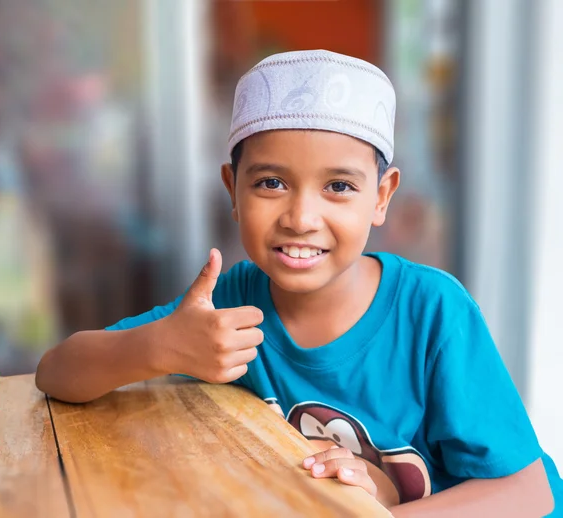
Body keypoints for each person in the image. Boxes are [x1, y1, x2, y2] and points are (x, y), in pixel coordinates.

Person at [36, 50, 561, 516]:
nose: (301, 217)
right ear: (232, 190)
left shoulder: (433, 311)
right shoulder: (228, 303)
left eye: (338, 186)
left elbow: (527, 493)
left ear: (381, 197)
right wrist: (158, 345)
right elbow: (56, 374)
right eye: (271, 183)